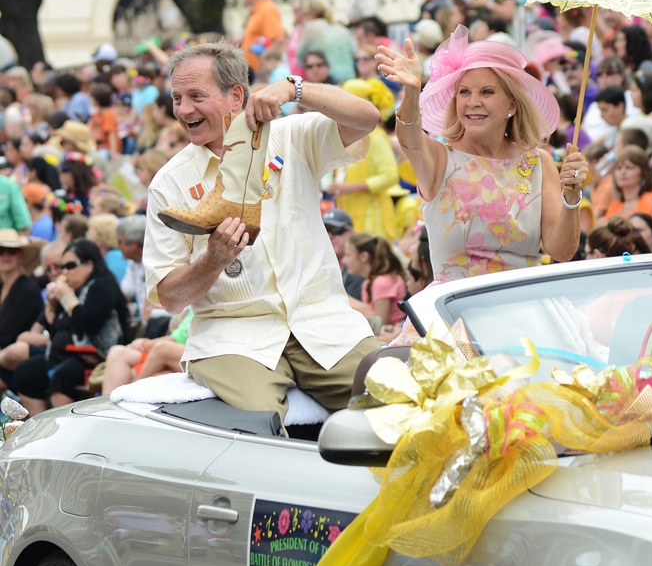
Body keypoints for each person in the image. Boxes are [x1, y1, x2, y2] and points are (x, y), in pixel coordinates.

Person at [144, 41, 382, 422]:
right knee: (257, 429)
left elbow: (367, 118)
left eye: (195, 96)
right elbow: (169, 299)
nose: (183, 110)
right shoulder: (169, 182)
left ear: (236, 95)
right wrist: (213, 261)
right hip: (233, 338)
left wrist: (292, 89)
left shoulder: (289, 135)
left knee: (399, 401)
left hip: (322, 324)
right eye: (176, 98)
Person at [375, 25, 586, 280]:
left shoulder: (539, 162)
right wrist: (411, 93)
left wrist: (572, 197)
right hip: (458, 313)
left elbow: (562, 251)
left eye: (487, 91)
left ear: (511, 103)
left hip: (527, 308)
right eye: (464, 92)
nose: (473, 102)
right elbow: (409, 138)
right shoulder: (441, 158)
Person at [12, 239, 129, 414]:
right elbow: (57, 330)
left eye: (70, 266)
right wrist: (52, 306)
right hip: (69, 355)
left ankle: (65, 432)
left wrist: (67, 298)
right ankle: (41, 427)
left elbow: (89, 324)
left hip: (98, 357)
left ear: (89, 263)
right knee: (25, 373)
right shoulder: (76, 289)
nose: (65, 272)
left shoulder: (102, 285)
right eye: (63, 267)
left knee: (62, 376)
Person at [330, 78, 400, 239]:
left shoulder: (376, 137)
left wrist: (350, 187)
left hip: (372, 220)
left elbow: (390, 176)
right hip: (348, 214)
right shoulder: (341, 136)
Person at [343, 233, 407, 339]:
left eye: (348, 255)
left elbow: (379, 324)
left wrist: (344, 300)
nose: (344, 261)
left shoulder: (381, 282)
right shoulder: (368, 283)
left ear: (364, 256)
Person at [0, 230, 43, 349]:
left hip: (16, 356)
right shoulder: (2, 286)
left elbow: (6, 335)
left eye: (12, 251)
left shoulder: (27, 289)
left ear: (21, 256)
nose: (6, 255)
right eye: (0, 251)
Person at [239, 0, 285, 75]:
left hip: (260, 71)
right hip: (252, 68)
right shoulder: (257, 10)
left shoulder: (267, 9)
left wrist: (265, 66)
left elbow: (277, 40)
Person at [602, 145, 652, 223]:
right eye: (619, 168)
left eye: (629, 167)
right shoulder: (614, 207)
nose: (622, 172)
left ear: (643, 173)